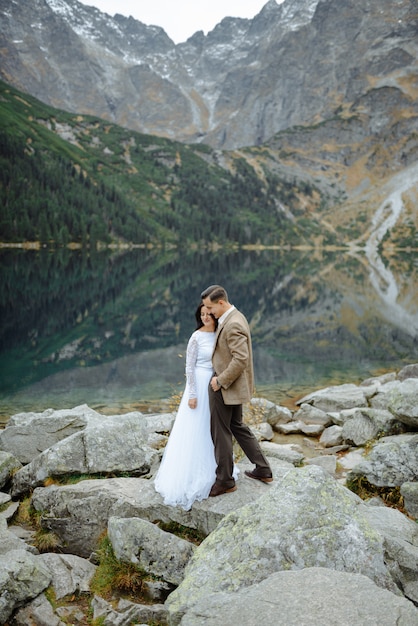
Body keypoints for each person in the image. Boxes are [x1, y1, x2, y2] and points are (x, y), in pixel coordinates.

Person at [201, 284, 273, 497]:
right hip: (232, 387)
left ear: (221, 303)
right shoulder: (235, 317)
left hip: (225, 387)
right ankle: (263, 468)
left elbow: (241, 359)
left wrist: (220, 381)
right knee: (237, 426)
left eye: (210, 307)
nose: (208, 312)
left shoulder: (232, 324)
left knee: (220, 432)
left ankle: (225, 480)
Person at [154, 303, 218, 510]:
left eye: (208, 314)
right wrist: (192, 394)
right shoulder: (196, 337)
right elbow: (189, 367)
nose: (205, 317)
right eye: (202, 314)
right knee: (194, 429)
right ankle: (189, 475)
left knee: (212, 428)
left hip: (215, 386)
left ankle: (215, 469)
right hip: (199, 385)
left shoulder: (219, 332)